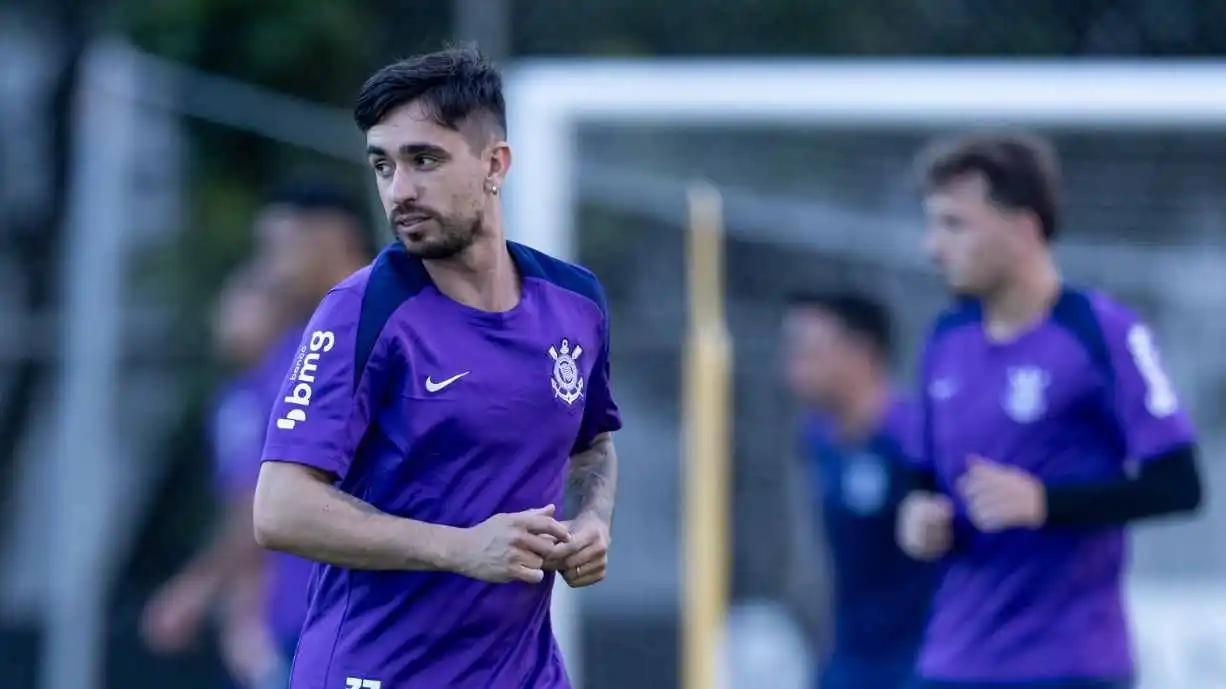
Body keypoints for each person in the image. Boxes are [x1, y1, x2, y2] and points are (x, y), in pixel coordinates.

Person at [252, 46, 622, 689]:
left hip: (522, 675)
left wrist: (592, 520)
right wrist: (462, 548)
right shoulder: (361, 311)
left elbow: (592, 447)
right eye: (383, 165)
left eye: (424, 159)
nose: (400, 190)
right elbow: (279, 509)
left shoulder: (575, 303)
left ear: (494, 164)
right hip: (377, 673)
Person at [898, 132, 1203, 689]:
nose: (933, 248)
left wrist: (1046, 503)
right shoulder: (945, 339)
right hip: (952, 664)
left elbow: (1180, 486)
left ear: (1023, 228)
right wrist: (918, 518)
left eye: (954, 224)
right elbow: (923, 478)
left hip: (1069, 667)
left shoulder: (1103, 333)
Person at [141, 265, 294, 688]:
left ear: (275, 310)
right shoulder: (247, 393)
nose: (223, 315)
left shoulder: (259, 395)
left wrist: (195, 589)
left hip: (299, 612)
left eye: (238, 301)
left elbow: (255, 509)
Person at [782, 291, 936, 689]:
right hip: (851, 660)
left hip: (922, 661)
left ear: (860, 352)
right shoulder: (816, 440)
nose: (793, 366)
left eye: (808, 351)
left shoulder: (915, 440)